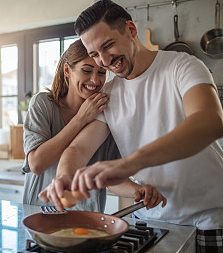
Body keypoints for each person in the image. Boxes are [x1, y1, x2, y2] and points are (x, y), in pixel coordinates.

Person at [39, 0, 223, 252]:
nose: (103, 61)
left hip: (207, 219)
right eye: (94, 54)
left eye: (108, 45)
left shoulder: (183, 66)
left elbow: (210, 121)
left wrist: (130, 164)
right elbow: (78, 150)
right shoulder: (109, 94)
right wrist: (63, 177)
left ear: (131, 30)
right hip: (148, 219)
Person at [23, 39, 166, 212]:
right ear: (67, 70)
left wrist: (138, 190)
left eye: (101, 72)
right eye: (87, 71)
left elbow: (110, 178)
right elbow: (36, 164)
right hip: (40, 210)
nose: (95, 80)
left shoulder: (106, 110)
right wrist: (80, 119)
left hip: (86, 218)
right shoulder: (43, 103)